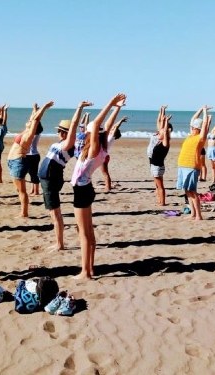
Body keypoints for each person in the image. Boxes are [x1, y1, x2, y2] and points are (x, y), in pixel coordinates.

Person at [71, 93, 126, 279]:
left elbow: (97, 124)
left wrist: (111, 103)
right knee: (88, 232)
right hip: (86, 189)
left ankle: (85, 272)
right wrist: (117, 108)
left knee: (84, 234)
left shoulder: (95, 149)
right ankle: (91, 268)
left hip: (81, 191)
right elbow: (106, 126)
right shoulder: (104, 145)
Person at [39, 100, 93, 251]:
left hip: (51, 178)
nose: (57, 133)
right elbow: (80, 126)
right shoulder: (61, 142)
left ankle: (60, 244)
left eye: (59, 130)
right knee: (53, 212)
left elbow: (76, 125)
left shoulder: (68, 144)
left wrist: (79, 107)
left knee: (54, 212)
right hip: (47, 179)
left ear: (64, 132)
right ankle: (60, 242)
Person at [7, 101, 54, 218]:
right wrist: (34, 109)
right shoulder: (26, 130)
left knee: (22, 190)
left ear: (34, 127)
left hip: (18, 161)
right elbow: (33, 119)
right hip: (13, 161)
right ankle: (23, 211)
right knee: (19, 190)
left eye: (31, 122)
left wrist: (44, 108)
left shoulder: (29, 134)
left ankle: (24, 213)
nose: (29, 121)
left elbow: (36, 120)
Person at [176, 106, 211, 220]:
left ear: (197, 128)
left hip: (191, 166)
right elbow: (193, 119)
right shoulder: (191, 135)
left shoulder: (200, 138)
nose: (191, 127)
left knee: (192, 191)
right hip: (182, 165)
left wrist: (205, 112)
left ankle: (199, 215)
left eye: (193, 126)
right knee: (187, 191)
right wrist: (201, 109)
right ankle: (192, 214)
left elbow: (205, 124)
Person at [147, 106, 172, 206]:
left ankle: (162, 203)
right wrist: (165, 120)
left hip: (157, 167)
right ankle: (160, 201)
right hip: (155, 166)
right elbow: (162, 128)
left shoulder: (165, 144)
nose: (158, 133)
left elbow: (164, 131)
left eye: (160, 132)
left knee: (160, 186)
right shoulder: (160, 142)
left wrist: (165, 123)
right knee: (158, 185)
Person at [101, 116, 127, 192]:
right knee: (104, 172)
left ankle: (108, 188)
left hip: (104, 157)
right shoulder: (110, 136)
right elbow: (113, 126)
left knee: (105, 172)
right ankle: (107, 186)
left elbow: (115, 127)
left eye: (113, 130)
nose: (111, 129)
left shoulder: (111, 137)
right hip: (105, 156)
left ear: (114, 133)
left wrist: (121, 121)